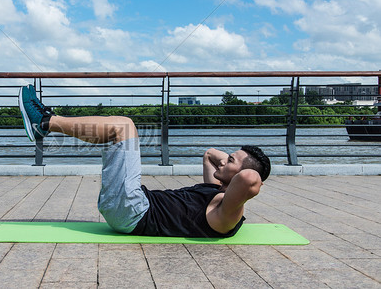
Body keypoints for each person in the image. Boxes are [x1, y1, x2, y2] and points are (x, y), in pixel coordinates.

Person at [19, 85, 271, 237]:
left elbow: (251, 179)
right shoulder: (217, 193)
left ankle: (45, 122)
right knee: (112, 135)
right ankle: (46, 120)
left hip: (134, 212)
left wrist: (245, 169)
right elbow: (208, 154)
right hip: (134, 204)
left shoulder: (225, 215)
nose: (224, 160)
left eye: (231, 160)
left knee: (124, 126)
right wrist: (232, 165)